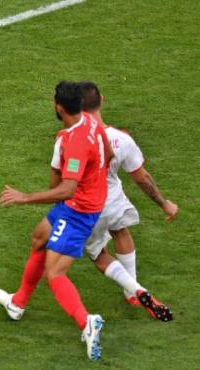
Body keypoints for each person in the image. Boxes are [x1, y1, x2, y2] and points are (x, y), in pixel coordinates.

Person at [0, 81, 111, 361]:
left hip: (79, 210)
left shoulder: (74, 143)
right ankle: (18, 302)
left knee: (55, 273)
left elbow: (67, 188)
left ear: (58, 107)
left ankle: (87, 323)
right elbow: (108, 151)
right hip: (75, 203)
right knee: (39, 238)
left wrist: (25, 197)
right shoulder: (91, 123)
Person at [78, 81, 178, 321]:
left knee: (98, 253)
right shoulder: (121, 139)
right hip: (113, 201)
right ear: (101, 100)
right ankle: (131, 293)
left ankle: (134, 289)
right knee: (120, 231)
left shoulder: (73, 139)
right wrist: (164, 203)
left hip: (87, 206)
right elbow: (142, 179)